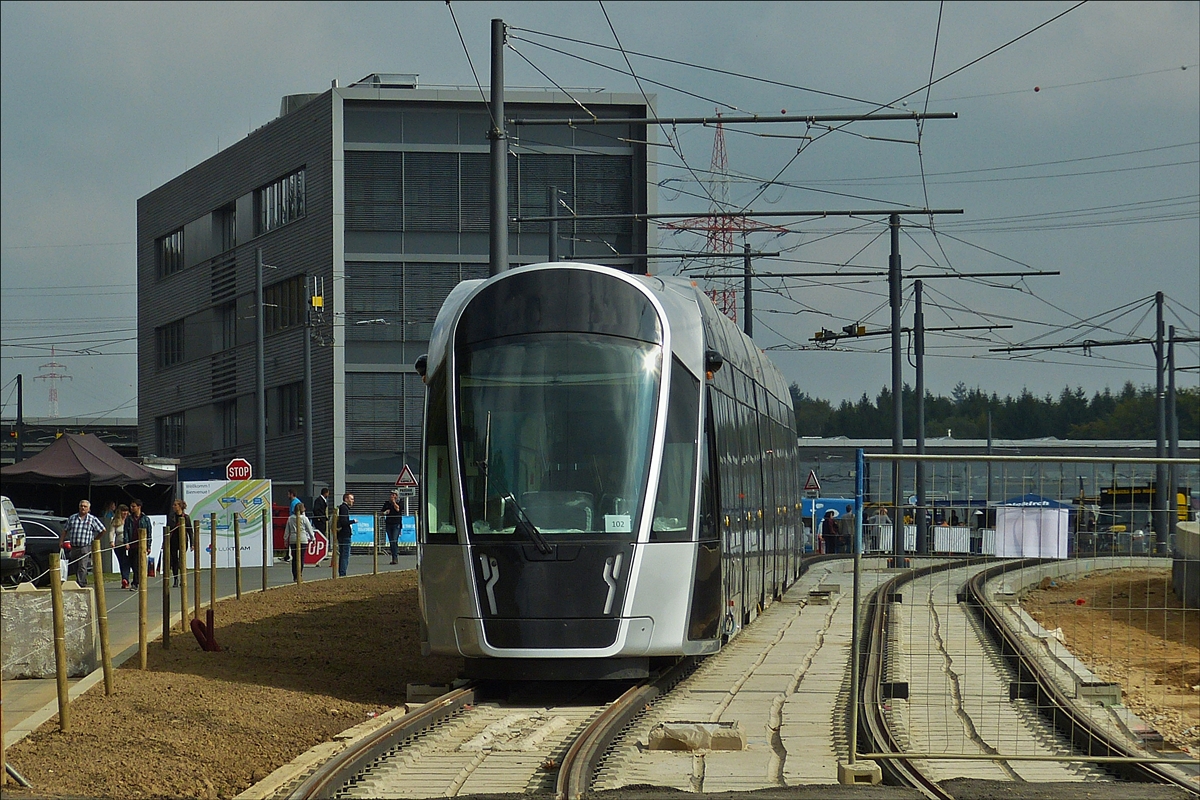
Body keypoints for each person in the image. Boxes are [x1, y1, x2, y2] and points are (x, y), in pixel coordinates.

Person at [63, 499, 106, 587]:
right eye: (81, 506)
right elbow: (65, 530)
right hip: (74, 546)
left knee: (82, 566)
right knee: (75, 565)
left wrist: (95, 540)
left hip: (85, 546)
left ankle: (81, 583)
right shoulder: (72, 518)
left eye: (85, 506)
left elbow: (103, 530)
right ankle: (82, 580)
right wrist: (61, 541)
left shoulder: (92, 519)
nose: (83, 507)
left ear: (88, 509)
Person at [124, 499, 153, 591]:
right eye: (131, 506)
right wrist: (127, 542)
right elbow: (126, 531)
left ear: (139, 507)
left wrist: (148, 546)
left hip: (141, 545)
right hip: (132, 545)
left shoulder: (145, 519)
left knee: (138, 564)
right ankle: (138, 580)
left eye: (133, 506)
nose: (131, 508)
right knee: (133, 564)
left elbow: (149, 533)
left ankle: (135, 583)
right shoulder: (129, 519)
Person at [286, 502, 315, 581]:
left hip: (293, 539)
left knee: (294, 558)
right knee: (301, 558)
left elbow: (287, 531)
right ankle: (300, 574)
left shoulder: (290, 518)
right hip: (302, 539)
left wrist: (285, 539)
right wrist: (313, 538)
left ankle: (295, 575)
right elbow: (309, 529)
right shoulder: (304, 518)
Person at [166, 498, 191, 587]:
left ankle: (183, 578)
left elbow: (190, 531)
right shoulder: (171, 517)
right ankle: (176, 579)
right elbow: (168, 529)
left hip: (183, 541)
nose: (173, 506)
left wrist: (192, 543)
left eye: (175, 505)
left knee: (182, 560)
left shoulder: (186, 517)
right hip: (173, 541)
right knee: (174, 561)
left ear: (180, 506)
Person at [108, 504, 131, 587]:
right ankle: (124, 579)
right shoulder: (115, 521)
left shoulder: (130, 520)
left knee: (127, 562)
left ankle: (126, 579)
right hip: (119, 545)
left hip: (129, 545)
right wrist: (111, 541)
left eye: (126, 511)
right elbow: (111, 532)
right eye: (123, 511)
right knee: (122, 562)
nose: (125, 513)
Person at [336, 492, 356, 577]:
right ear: (346, 499)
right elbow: (344, 521)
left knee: (342, 554)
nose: (353, 501)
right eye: (351, 499)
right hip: (345, 534)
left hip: (341, 534)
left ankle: (342, 572)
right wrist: (353, 521)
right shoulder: (344, 508)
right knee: (345, 554)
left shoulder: (343, 508)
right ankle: (342, 573)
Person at [381, 489, 403, 565]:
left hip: (396, 524)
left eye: (393, 495)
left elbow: (398, 509)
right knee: (391, 541)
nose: (391, 496)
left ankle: (395, 557)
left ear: (396, 496)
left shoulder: (400, 502)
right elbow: (381, 512)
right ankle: (393, 556)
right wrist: (385, 512)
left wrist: (394, 503)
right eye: (391, 494)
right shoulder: (387, 503)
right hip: (389, 524)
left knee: (394, 540)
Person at [283, 489, 301, 561]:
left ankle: (288, 555)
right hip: (294, 522)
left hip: (293, 523)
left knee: (290, 538)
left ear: (291, 494)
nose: (288, 496)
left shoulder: (294, 503)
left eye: (288, 494)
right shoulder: (297, 501)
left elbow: (293, 512)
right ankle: (287, 555)